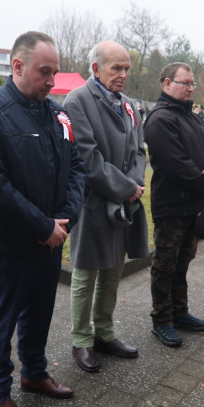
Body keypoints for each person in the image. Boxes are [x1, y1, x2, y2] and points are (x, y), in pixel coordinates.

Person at [0, 31, 84, 407]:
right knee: (0, 319)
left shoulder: (57, 114)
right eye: (45, 72)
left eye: (55, 72)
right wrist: (42, 225)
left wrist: (64, 220)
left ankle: (34, 372)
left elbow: (76, 168)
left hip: (51, 239)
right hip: (13, 242)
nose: (52, 82)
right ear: (18, 66)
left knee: (40, 312)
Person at [64, 41, 147, 373]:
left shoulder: (128, 105)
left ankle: (105, 333)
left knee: (113, 270)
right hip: (94, 203)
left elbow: (139, 151)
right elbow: (88, 158)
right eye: (117, 68)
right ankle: (81, 340)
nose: (124, 74)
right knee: (85, 275)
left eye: (127, 68)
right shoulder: (77, 101)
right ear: (96, 68)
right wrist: (127, 188)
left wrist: (133, 184)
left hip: (123, 203)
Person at [143, 62, 204, 347]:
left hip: (195, 205)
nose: (191, 88)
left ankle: (180, 313)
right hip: (172, 206)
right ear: (167, 84)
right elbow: (179, 166)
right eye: (185, 83)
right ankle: (162, 319)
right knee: (165, 264)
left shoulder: (192, 116)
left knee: (183, 263)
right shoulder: (161, 119)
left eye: (192, 84)